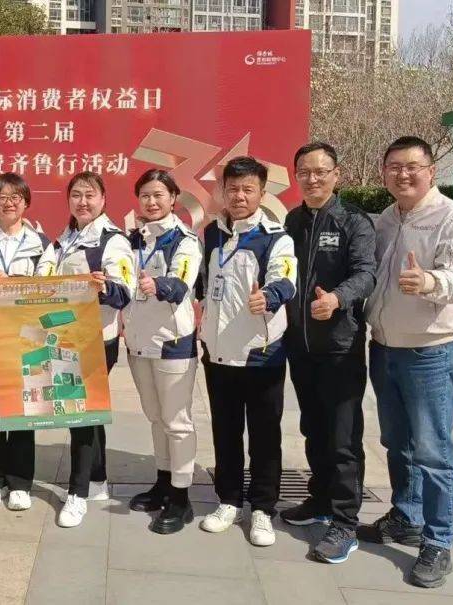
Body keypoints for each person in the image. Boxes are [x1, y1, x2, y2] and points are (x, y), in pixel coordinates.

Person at [361, 136, 453, 588]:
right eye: (394, 167)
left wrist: (428, 281)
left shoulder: (452, 217)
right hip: (384, 346)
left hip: (430, 352)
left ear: (430, 170)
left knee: (433, 450)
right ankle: (406, 516)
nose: (403, 174)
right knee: (397, 442)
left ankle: (438, 541)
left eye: (412, 166)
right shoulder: (387, 218)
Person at [280, 142, 377, 563]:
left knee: (343, 438)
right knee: (313, 428)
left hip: (340, 346)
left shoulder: (354, 220)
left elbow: (366, 273)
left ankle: (345, 522)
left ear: (337, 175)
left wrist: (337, 299)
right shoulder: (292, 220)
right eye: (305, 171)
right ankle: (319, 499)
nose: (313, 178)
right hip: (301, 346)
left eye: (321, 171)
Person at [197, 156, 297, 547]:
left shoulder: (275, 237)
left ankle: (262, 509)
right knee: (225, 431)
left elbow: (285, 278)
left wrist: (269, 296)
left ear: (261, 193)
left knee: (264, 436)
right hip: (219, 354)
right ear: (223, 191)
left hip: (260, 355)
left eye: (248, 189)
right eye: (233, 189)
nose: (239, 196)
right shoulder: (212, 234)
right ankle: (229, 501)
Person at [0, 173, 57, 512]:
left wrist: (12, 281)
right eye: (2, 197)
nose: (9, 203)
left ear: (26, 203)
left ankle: (19, 482)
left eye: (16, 197)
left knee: (22, 412)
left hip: (24, 339)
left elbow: (45, 289)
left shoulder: (42, 243)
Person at [51, 171, 135, 529]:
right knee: (90, 410)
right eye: (76, 195)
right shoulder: (66, 237)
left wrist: (104, 289)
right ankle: (97, 479)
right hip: (68, 337)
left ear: (103, 199)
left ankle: (77, 493)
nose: (82, 202)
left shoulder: (113, 241)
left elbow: (125, 292)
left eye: (89, 195)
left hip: (96, 340)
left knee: (80, 413)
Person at [122, 168, 203, 535]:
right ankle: (163, 482)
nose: (151, 202)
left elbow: (182, 280)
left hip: (173, 343)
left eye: (158, 195)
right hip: (139, 342)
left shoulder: (184, 239)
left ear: (173, 198)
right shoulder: (133, 238)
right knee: (156, 417)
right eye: (145, 196)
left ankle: (182, 497)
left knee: (177, 421)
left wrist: (161, 285)